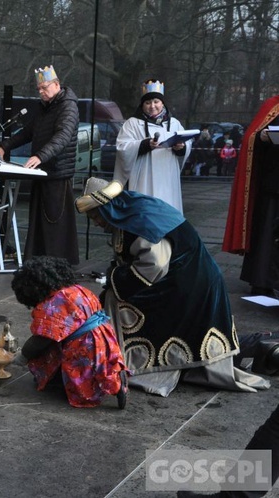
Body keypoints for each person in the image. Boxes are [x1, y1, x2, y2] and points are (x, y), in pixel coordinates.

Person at [75, 178, 270, 397]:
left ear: (108, 208)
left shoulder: (140, 220)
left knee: (115, 300)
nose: (96, 222)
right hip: (188, 277)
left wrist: (117, 279)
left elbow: (155, 263)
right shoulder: (133, 209)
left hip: (189, 286)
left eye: (95, 216)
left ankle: (128, 361)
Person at [0, 65, 80, 265]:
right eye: (38, 88)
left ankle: (57, 263)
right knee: (39, 222)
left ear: (56, 85)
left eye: (44, 87)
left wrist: (40, 156)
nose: (40, 92)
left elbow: (62, 136)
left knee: (55, 222)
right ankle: (39, 261)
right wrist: (4, 147)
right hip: (42, 172)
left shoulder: (68, 106)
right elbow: (28, 132)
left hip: (57, 173)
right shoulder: (44, 107)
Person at [11, 256, 127, 408]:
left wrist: (23, 356)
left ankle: (114, 387)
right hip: (104, 335)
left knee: (77, 373)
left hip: (84, 344)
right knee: (101, 366)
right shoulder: (77, 290)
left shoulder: (54, 305)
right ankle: (116, 380)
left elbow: (41, 339)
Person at [223, 95, 279, 297]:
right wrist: (262, 137)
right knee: (266, 234)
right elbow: (251, 137)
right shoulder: (273, 106)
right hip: (272, 181)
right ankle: (261, 281)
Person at [113, 80, 191, 213]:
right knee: (146, 213)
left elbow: (187, 145)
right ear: (142, 104)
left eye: (156, 102)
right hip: (144, 176)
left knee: (167, 213)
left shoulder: (174, 123)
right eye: (148, 102)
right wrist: (144, 144)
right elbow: (122, 147)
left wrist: (181, 147)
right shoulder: (132, 124)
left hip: (168, 177)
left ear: (162, 103)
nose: (152, 106)